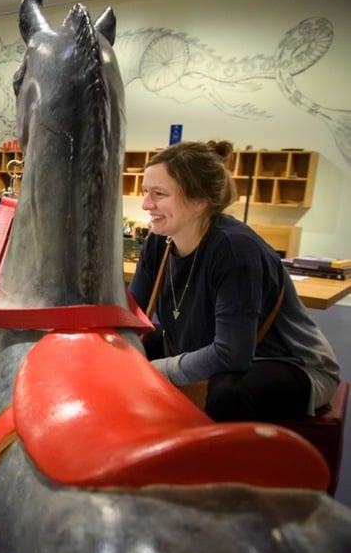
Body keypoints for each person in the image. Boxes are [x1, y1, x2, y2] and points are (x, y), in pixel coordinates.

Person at [128, 140, 340, 422]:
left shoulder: (235, 250)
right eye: (145, 191)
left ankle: (219, 464)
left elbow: (232, 355)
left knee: (228, 391)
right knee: (125, 348)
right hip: (206, 349)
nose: (145, 204)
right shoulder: (159, 241)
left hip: (285, 363)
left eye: (159, 193)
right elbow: (131, 317)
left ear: (199, 201)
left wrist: (153, 370)